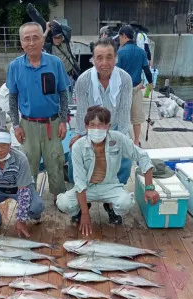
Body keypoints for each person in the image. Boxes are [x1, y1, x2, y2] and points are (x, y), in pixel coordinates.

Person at [57, 106, 159, 235]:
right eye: (92, 125)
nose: (96, 129)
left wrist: (149, 187)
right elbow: (79, 181)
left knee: (125, 203)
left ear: (108, 126)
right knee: (63, 203)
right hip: (86, 187)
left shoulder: (118, 138)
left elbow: (142, 156)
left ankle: (110, 207)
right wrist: (85, 214)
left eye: (101, 125)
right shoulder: (78, 146)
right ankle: (81, 208)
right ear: (86, 127)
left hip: (110, 185)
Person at [67, 37, 133, 223]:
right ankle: (83, 203)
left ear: (116, 58)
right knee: (74, 156)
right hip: (90, 128)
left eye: (109, 57)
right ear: (93, 60)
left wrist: (118, 139)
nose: (104, 63)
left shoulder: (126, 80)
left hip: (114, 128)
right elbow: (81, 112)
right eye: (99, 58)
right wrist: (80, 135)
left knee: (124, 160)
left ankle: (111, 204)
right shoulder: (83, 80)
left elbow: (123, 112)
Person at [7, 22, 70, 202]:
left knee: (56, 161)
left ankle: (60, 197)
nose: (31, 42)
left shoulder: (54, 63)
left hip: (53, 122)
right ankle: (30, 197)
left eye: (36, 38)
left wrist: (64, 120)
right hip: (27, 124)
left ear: (43, 40)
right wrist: (16, 124)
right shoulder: (15, 66)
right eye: (27, 39)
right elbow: (12, 98)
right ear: (21, 43)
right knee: (27, 163)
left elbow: (63, 93)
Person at [0, 127, 45, 238]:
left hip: (19, 187)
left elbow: (23, 191)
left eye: (4, 145)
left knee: (37, 205)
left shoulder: (21, 158)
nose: (0, 150)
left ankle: (33, 216)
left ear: (10, 145)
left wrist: (21, 220)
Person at [116, 25, 153, 147]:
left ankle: (123, 141)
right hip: (137, 88)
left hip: (123, 90)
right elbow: (147, 70)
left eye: (120, 37)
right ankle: (137, 141)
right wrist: (151, 83)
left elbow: (116, 73)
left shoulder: (120, 52)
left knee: (122, 116)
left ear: (124, 37)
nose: (119, 40)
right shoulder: (141, 52)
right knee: (136, 117)